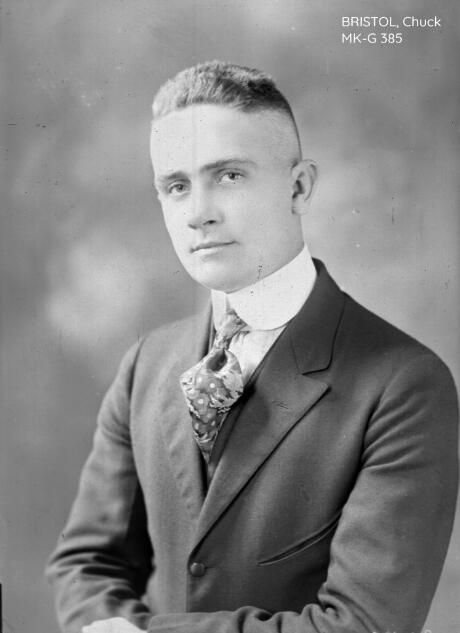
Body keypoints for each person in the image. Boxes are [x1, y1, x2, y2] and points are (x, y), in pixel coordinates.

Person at [46, 61, 459, 633]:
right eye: (176, 186)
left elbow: (362, 626)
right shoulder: (147, 364)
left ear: (299, 187)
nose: (198, 214)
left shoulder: (403, 385)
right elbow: (86, 564)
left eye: (229, 176)